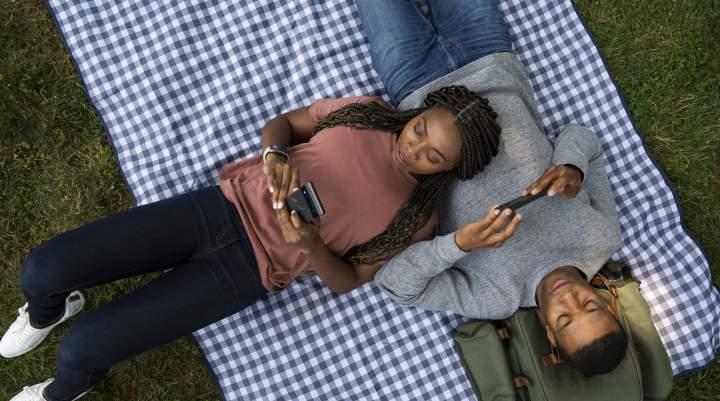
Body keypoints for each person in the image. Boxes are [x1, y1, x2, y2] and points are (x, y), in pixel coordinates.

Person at [1, 83, 506, 399]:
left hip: (245, 274)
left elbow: (348, 280)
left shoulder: (416, 220)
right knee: (43, 268)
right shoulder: (366, 112)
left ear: (450, 170)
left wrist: (311, 246)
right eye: (420, 131)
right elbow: (286, 124)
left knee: (85, 349)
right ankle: (51, 308)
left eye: (433, 157)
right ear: (416, 115)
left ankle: (64, 391)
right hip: (214, 209)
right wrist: (274, 156)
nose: (414, 149)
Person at [354, 0, 629, 376]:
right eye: (589, 306)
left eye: (565, 319)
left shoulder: (496, 297)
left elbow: (396, 285)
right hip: (489, 57)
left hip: (417, 90)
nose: (569, 298)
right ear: (606, 302)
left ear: (549, 334)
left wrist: (459, 244)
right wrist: (572, 167)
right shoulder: (601, 238)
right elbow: (584, 140)